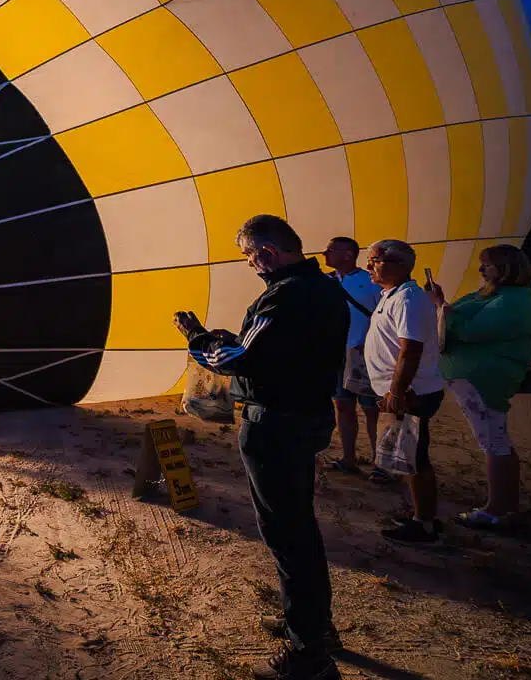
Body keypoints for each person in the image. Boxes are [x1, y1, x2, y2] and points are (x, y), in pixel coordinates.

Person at [175, 214, 346, 680]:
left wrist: (196, 338)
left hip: (275, 424)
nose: (251, 265)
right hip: (307, 416)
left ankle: (307, 654)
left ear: (268, 253)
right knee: (300, 527)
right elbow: (278, 350)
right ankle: (316, 626)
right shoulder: (328, 289)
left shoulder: (284, 295)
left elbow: (236, 359)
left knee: (287, 535)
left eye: (250, 257)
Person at [431, 244, 531, 528]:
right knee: (496, 441)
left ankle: (496, 510)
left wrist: (439, 307)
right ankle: (507, 505)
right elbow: (458, 315)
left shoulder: (514, 300)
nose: (481, 270)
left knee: (493, 442)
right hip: (475, 377)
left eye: (487, 265)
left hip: (484, 379)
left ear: (505, 267)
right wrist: (444, 305)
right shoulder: (494, 295)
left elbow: (470, 330)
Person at [363, 239, 446, 546]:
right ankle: (420, 516)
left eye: (376, 260)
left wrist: (397, 391)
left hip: (413, 393)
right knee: (407, 456)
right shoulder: (393, 295)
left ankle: (424, 524)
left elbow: (410, 350)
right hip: (405, 391)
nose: (369, 266)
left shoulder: (408, 299)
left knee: (415, 458)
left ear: (399, 265)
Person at [322, 237, 382, 477]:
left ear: (348, 255)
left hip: (365, 354)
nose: (325, 253)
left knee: (372, 409)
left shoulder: (371, 282)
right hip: (337, 353)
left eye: (331, 250)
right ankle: (349, 458)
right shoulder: (324, 282)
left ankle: (381, 463)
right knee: (343, 406)